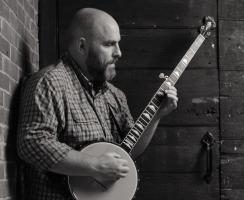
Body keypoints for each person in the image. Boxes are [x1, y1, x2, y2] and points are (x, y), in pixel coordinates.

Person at [17, 8, 178, 200]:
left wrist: (157, 116)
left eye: (118, 44)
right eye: (109, 44)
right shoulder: (50, 83)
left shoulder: (115, 96)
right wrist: (95, 166)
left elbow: (127, 152)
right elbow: (32, 143)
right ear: (82, 47)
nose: (119, 53)